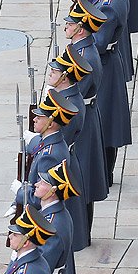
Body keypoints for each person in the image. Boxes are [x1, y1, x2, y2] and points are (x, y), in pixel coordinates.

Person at [88, 0, 135, 187]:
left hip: (105, 65)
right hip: (111, 62)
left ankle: (105, 174)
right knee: (107, 118)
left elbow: (98, 41)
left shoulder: (109, 3)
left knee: (105, 120)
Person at [64, 0, 109, 224]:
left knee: (82, 180)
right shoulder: (82, 50)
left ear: (80, 29)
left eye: (70, 24)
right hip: (86, 113)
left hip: (81, 119)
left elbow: (73, 93)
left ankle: (83, 230)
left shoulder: (84, 58)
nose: (66, 27)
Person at [44, 49, 93, 250]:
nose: (49, 76)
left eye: (54, 73)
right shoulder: (65, 99)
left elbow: (57, 134)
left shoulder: (68, 106)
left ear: (65, 77)